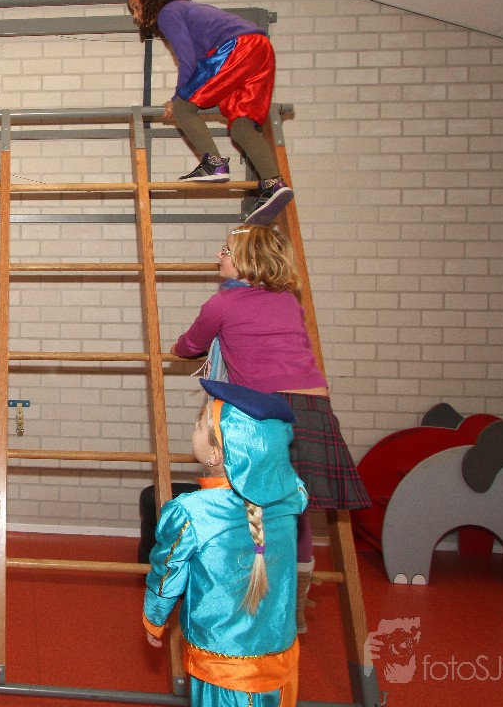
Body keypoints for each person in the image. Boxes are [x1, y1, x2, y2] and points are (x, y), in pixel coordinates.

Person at [172, 225, 371, 632]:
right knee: (296, 507)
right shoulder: (287, 301)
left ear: (247, 261)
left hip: (266, 410)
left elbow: (191, 345)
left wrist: (177, 349)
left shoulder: (222, 304)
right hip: (314, 408)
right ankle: (294, 603)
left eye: (226, 250)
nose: (218, 256)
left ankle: (254, 591)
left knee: (255, 501)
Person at [143, 379, 307, 707]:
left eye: (198, 425)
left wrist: (154, 619)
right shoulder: (293, 497)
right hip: (280, 659)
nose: (193, 429)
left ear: (216, 453)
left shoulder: (191, 513)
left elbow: (167, 572)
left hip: (222, 667)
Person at [126, 0, 293, 225]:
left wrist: (177, 98)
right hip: (261, 50)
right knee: (242, 126)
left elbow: (187, 59)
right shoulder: (186, 11)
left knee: (183, 109)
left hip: (238, 47)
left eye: (137, 7)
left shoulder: (168, 12)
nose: (136, 16)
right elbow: (199, 61)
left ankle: (214, 163)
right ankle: (273, 182)